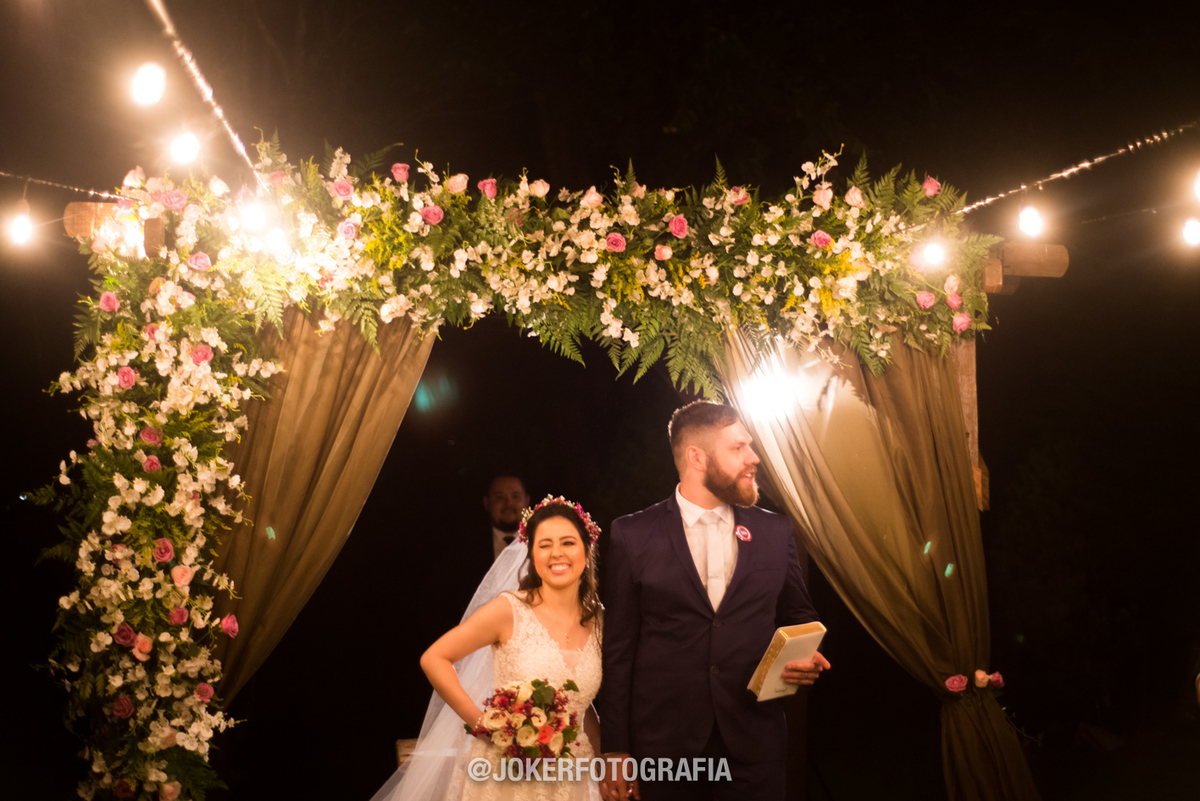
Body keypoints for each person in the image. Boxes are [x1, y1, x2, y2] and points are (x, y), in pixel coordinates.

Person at [597, 401, 829, 801]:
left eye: (751, 446)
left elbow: (800, 617)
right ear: (696, 457)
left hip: (755, 742)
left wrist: (805, 656)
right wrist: (616, 748)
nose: (754, 458)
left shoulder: (775, 531)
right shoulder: (631, 535)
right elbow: (618, 649)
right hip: (666, 748)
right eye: (738, 448)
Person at [371, 496, 603, 801]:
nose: (556, 553)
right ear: (532, 553)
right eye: (544, 544)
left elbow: (583, 707)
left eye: (568, 542)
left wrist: (602, 769)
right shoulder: (509, 609)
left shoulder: (598, 618)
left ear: (587, 550)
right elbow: (434, 658)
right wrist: (485, 725)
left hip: (574, 774)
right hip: (508, 774)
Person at [485, 474, 532, 560]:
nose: (509, 503)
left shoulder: (540, 541)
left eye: (515, 496)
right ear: (487, 503)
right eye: (500, 497)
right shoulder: (466, 546)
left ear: (527, 501)